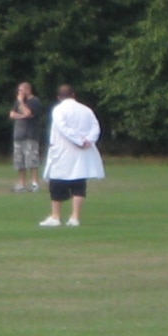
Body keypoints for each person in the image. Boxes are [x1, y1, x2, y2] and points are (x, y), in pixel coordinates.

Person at [40, 84, 104, 228]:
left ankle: (56, 216)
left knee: (57, 183)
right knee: (78, 184)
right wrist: (88, 140)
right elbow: (96, 127)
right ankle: (75, 217)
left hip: (64, 151)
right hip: (82, 151)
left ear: (59, 97)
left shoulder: (58, 110)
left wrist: (80, 141)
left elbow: (64, 128)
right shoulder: (86, 110)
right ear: (74, 95)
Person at [8, 82, 44, 193]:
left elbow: (28, 113)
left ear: (28, 90)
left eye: (21, 90)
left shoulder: (35, 101)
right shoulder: (18, 102)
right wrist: (22, 115)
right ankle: (22, 184)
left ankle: (34, 183)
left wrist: (21, 102)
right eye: (18, 90)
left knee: (32, 160)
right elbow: (12, 114)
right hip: (18, 135)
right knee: (20, 161)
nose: (19, 93)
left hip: (30, 135)